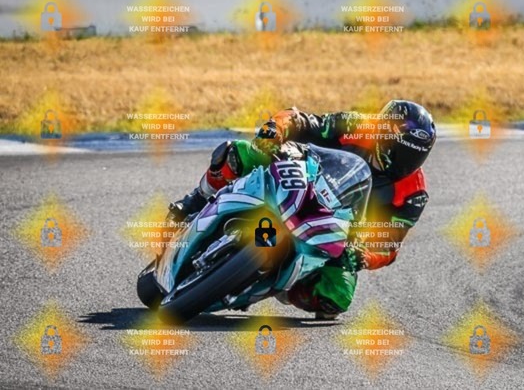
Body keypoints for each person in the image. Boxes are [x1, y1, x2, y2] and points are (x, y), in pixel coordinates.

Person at [167, 100, 436, 318]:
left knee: (335, 298)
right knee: (240, 153)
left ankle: (286, 283)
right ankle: (194, 202)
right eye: (401, 151)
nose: (407, 162)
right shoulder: (356, 126)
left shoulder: (414, 193)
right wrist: (275, 130)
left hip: (336, 229)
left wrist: (364, 256)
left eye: (416, 155)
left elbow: (389, 244)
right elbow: (301, 120)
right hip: (300, 178)